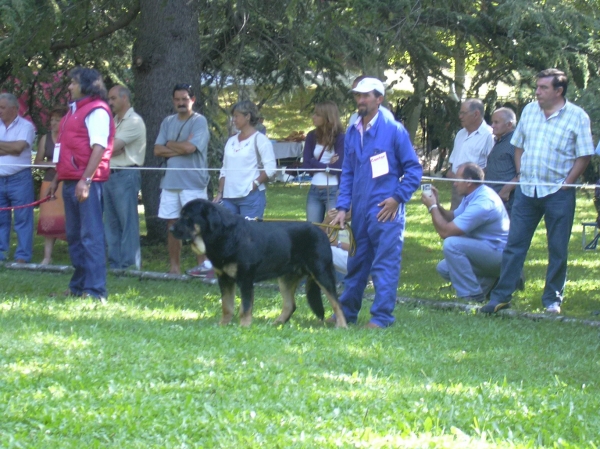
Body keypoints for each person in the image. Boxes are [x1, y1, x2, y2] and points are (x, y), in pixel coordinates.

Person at [481, 68, 594, 315]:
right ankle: (501, 297)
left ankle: (552, 300)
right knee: (514, 245)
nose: (537, 92)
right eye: (537, 87)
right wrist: (521, 176)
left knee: (557, 248)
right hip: (527, 191)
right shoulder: (530, 111)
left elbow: (584, 155)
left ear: (558, 91)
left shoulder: (577, 116)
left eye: (543, 88)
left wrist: (568, 182)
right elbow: (518, 146)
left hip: (558, 194)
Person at [330, 77, 422, 328]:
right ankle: (346, 314)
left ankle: (381, 318)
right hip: (359, 210)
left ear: (379, 99)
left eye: (366, 96)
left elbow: (414, 171)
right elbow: (347, 171)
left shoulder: (394, 129)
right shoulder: (352, 130)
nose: (360, 100)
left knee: (384, 264)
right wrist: (342, 206)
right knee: (355, 264)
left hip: (385, 210)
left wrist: (397, 199)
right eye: (357, 96)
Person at [50, 67, 115, 302]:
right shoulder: (73, 111)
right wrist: (57, 178)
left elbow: (99, 147)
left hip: (87, 182)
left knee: (91, 236)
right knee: (75, 236)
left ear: (87, 86)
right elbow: (66, 149)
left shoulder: (97, 111)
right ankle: (78, 287)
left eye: (73, 83)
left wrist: (85, 180)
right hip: (70, 180)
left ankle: (96, 291)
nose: (69, 86)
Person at [421, 163, 509, 301]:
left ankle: (472, 296)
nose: (454, 184)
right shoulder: (474, 194)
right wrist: (437, 204)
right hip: (487, 251)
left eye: (457, 179)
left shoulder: (483, 202)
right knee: (443, 268)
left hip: (500, 256)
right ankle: (491, 284)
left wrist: (432, 207)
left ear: (468, 181)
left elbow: (446, 232)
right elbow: (452, 217)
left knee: (452, 244)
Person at [154, 83, 211, 276]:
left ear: (192, 100)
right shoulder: (167, 122)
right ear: (173, 100)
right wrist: (178, 146)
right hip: (170, 182)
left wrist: (169, 144)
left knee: (197, 224)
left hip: (193, 182)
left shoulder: (199, 121)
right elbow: (156, 149)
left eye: (184, 99)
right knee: (172, 225)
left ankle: (203, 266)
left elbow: (190, 149)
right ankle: (174, 268)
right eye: (177, 99)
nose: (180, 103)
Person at [104, 85, 146, 270]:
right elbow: (108, 147)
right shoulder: (114, 121)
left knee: (127, 222)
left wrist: (110, 147)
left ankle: (129, 265)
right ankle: (115, 264)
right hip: (109, 173)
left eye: (113, 98)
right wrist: (111, 147)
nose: (110, 102)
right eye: (109, 98)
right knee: (111, 223)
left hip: (125, 174)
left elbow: (109, 148)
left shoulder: (133, 121)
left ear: (124, 99)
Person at [213, 100, 276, 219]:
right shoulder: (231, 141)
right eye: (233, 116)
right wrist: (220, 192)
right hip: (228, 198)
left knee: (250, 235)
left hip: (251, 197)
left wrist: (254, 184)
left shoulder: (260, 140)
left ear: (247, 116)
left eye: (236, 116)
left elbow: (271, 168)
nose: (234, 120)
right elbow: (224, 169)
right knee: (229, 235)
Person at [0, 93, 36, 264]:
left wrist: (11, 148)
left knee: (23, 218)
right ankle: (1, 254)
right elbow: (13, 148)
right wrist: (10, 147)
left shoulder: (26, 126)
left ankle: (22, 256)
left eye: (2, 107)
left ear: (14, 109)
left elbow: (18, 148)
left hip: (19, 178)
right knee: (1, 219)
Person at [34, 105, 68, 264]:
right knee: (48, 218)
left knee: (70, 218)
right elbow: (37, 162)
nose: (53, 123)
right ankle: (47, 257)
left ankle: (75, 255)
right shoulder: (45, 139)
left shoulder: (69, 137)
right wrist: (51, 165)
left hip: (66, 181)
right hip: (48, 181)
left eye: (57, 120)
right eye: (51, 120)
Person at [302, 101, 345, 223]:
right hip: (314, 189)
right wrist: (327, 166)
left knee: (333, 230)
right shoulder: (311, 136)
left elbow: (336, 168)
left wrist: (314, 162)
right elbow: (306, 166)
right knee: (313, 229)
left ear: (327, 117)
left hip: (333, 190)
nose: (313, 117)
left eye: (317, 114)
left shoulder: (340, 137)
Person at [447, 99, 494, 210]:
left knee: (472, 223)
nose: (460, 117)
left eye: (463, 113)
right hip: (457, 188)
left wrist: (469, 181)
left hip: (475, 190)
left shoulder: (489, 135)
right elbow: (453, 161)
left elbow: (491, 166)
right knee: (455, 220)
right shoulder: (460, 134)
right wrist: (453, 176)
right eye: (460, 113)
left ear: (476, 114)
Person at [485, 107, 518, 215]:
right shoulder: (499, 140)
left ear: (509, 124)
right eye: (492, 122)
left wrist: (506, 190)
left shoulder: (515, 142)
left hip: (508, 202)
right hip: (494, 199)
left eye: (496, 122)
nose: (492, 126)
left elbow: (523, 173)